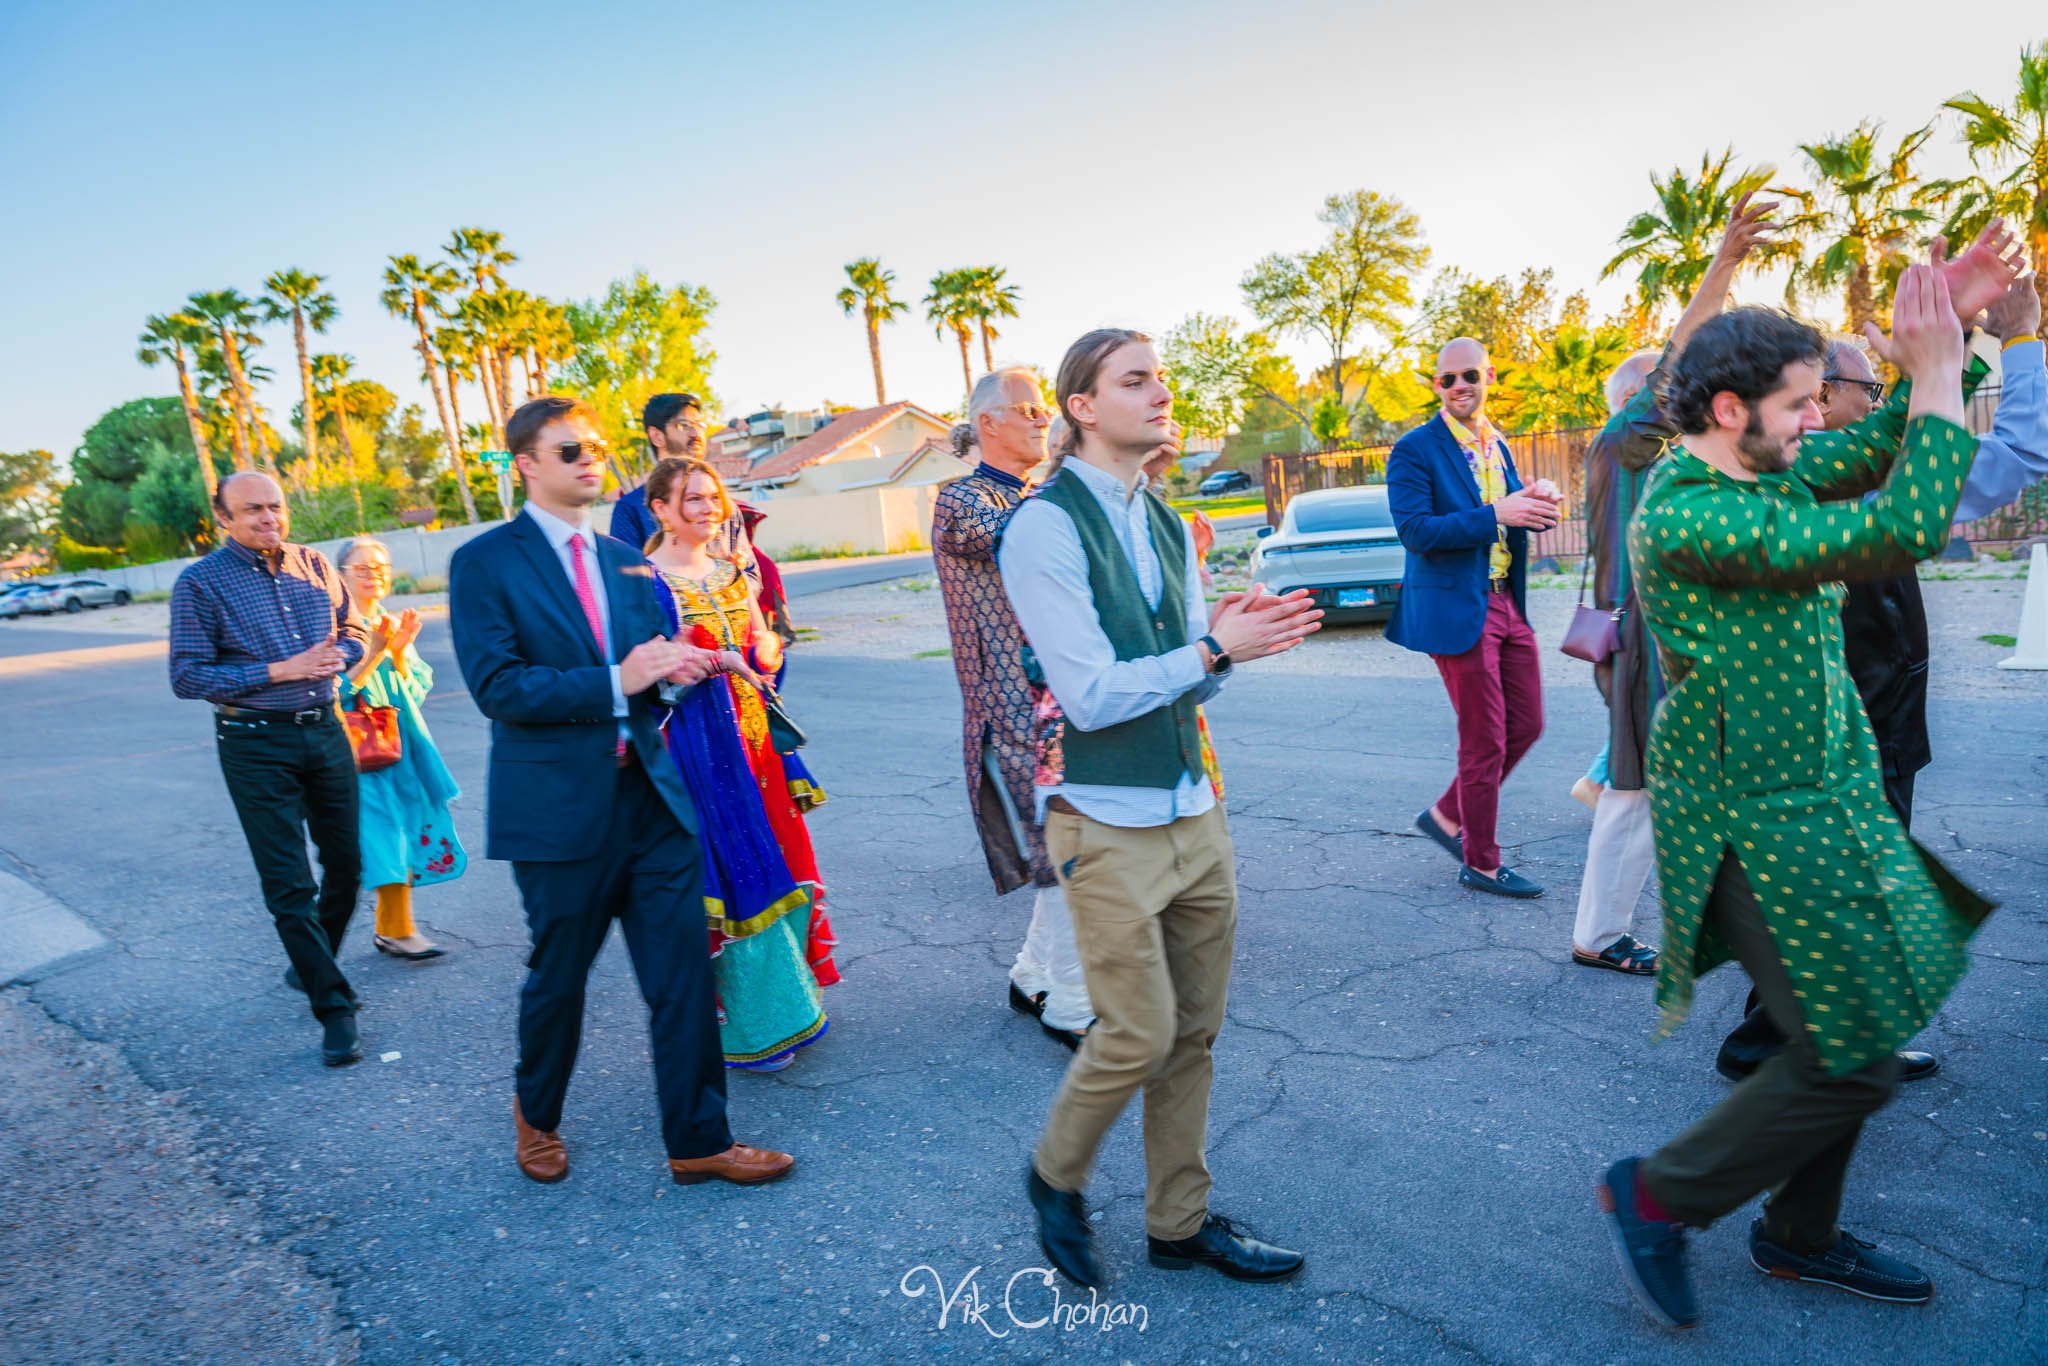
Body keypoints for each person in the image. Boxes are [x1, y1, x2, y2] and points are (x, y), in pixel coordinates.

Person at [1599, 273, 1998, 1329]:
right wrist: (1932, 373)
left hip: (1818, 803)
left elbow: (1866, 452)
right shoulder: (1689, 518)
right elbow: (1895, 530)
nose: (1819, 416)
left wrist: (1942, 340)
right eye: (1800, 401)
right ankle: (1656, 1195)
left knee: (1846, 1024)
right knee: (1850, 1054)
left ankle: (1797, 1235)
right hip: (1747, 822)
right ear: (1731, 413)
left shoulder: (1758, 466)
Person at [1000, 328, 1322, 1290]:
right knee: (1136, 1032)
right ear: (1083, 408)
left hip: (1193, 811)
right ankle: (1055, 1176)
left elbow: (1184, 680)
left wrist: (1237, 645)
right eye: (1135, 381)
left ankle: (1178, 1223)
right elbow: (1093, 696)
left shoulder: (1166, 521)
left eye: (1162, 378)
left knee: (1194, 1036)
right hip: (1101, 819)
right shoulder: (1043, 526)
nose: (1160, 393)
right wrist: (1213, 652)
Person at [448, 394, 793, 1189]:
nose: (590, 458)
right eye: (570, 450)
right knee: (559, 979)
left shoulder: (627, 560)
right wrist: (619, 678)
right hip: (558, 809)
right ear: (526, 464)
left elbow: (651, 673)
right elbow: (499, 685)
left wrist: (686, 668)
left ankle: (700, 1140)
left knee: (681, 975)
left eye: (596, 446)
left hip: (652, 798)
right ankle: (536, 1113)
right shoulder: (484, 562)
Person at [1570, 193, 1783, 975]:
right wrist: (1723, 267)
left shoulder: (1660, 465)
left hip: (1661, 646)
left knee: (1648, 786)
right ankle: (1604, 933)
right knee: (1638, 789)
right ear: (1640, 401)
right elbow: (1679, 360)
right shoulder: (1624, 446)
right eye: (1668, 388)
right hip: (1641, 647)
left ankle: (1624, 924)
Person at [641, 456, 838, 1071]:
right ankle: (745, 1028)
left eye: (712, 497)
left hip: (752, 739)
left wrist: (765, 649)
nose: (706, 509)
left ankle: (790, 1008)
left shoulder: (731, 573)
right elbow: (640, 669)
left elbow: (763, 641)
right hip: (694, 744)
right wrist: (703, 659)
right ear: (661, 509)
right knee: (725, 873)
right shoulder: (644, 582)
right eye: (692, 499)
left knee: (775, 858)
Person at [169, 471, 371, 1067]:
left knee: (347, 866)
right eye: (252, 509)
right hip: (253, 742)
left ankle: (313, 962)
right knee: (289, 884)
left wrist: (344, 653)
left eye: (275, 507)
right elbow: (187, 676)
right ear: (223, 518)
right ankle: (334, 1009)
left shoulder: (313, 564)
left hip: (326, 731)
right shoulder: (200, 583)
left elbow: (353, 626)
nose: (268, 518)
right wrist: (284, 669)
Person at [932, 367, 1095, 1048]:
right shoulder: (960, 501)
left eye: (1042, 410)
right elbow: (1023, 536)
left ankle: (1033, 977)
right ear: (988, 423)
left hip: (1059, 697)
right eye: (1025, 409)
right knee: (1069, 853)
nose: (1039, 419)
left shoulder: (1038, 495)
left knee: (1064, 848)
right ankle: (1071, 1005)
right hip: (1013, 708)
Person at [1388, 338, 1561, 898]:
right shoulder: (1415, 449)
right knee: (1483, 738)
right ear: (1436, 386)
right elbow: (1415, 532)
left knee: (1527, 723)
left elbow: (1510, 512)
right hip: (1456, 607)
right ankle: (1480, 861)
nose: (1460, 386)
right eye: (1447, 379)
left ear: (1489, 377)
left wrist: (1534, 501)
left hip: (1506, 602)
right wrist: (1497, 514)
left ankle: (1445, 814)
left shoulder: (1497, 444)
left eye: (1469, 375)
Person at [335, 536, 464, 963]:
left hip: (402, 746)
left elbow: (416, 689)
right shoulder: (333, 628)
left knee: (404, 831)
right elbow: (334, 691)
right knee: (383, 835)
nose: (374, 575)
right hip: (357, 751)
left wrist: (400, 652)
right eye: (363, 568)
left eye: (381, 567)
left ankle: (390, 929)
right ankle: (397, 931)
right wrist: (375, 653)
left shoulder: (390, 622)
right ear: (340, 576)